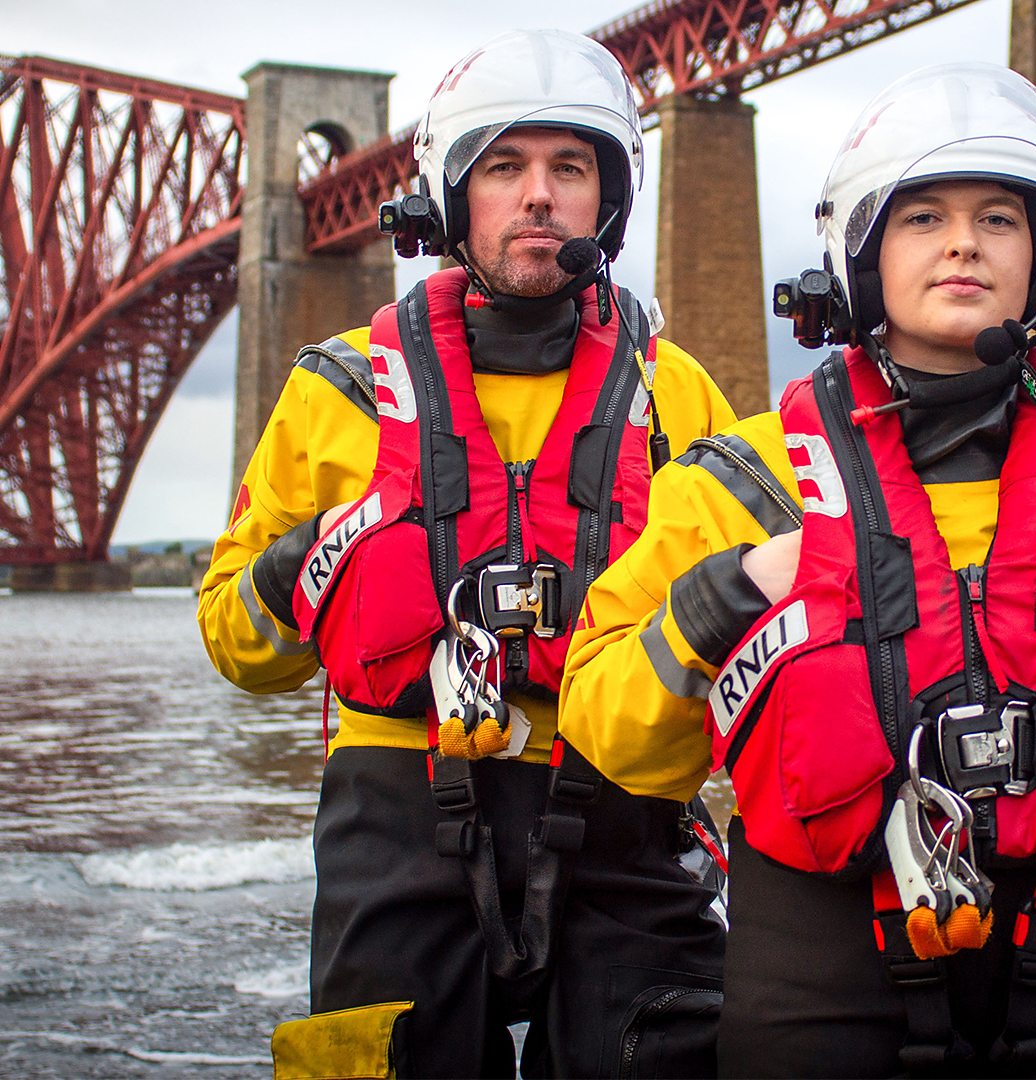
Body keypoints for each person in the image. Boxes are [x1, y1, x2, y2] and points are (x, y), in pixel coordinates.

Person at [559, 62, 1036, 1078]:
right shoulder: (742, 487)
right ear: (863, 252)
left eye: (998, 218)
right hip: (820, 984)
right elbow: (611, 735)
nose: (964, 242)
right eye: (924, 218)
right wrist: (717, 602)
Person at [197, 29, 734, 1078]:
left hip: (626, 809)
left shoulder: (679, 396)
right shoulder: (339, 388)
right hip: (399, 809)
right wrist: (305, 566)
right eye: (504, 167)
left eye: (569, 167)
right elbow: (235, 644)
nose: (539, 195)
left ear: (608, 199)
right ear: (451, 194)